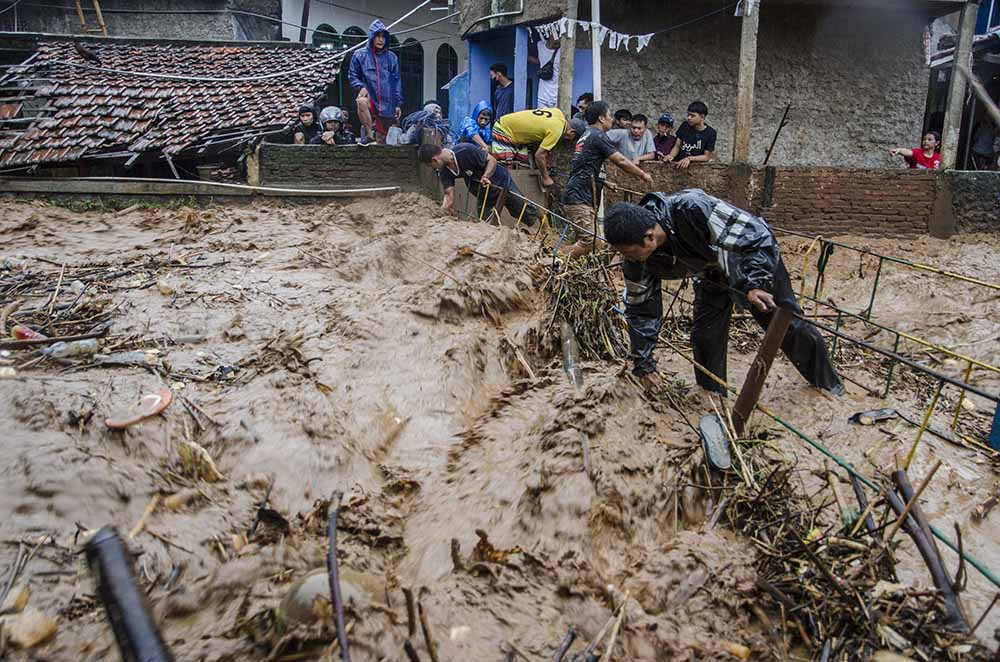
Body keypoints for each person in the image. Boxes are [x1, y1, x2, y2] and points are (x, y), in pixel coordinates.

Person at [602, 190, 844, 396]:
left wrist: (754, 282)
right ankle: (713, 396)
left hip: (751, 263)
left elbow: (756, 236)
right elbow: (640, 309)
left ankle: (828, 385)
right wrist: (644, 365)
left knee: (785, 325)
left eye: (629, 252)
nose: (626, 258)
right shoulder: (637, 260)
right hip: (710, 274)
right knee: (705, 336)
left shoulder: (693, 208)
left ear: (650, 237)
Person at [561, 100, 654, 258]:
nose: (612, 119)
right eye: (609, 116)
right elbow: (621, 161)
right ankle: (554, 258)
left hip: (580, 196)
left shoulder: (587, 136)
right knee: (590, 241)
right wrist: (642, 174)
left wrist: (604, 182)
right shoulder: (598, 136)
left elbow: (584, 167)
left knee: (597, 243)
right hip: (579, 198)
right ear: (601, 119)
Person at [418, 142, 539, 227]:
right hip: (482, 193)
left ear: (434, 160)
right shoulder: (445, 171)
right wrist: (439, 215)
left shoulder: (466, 150)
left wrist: (486, 176)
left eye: (430, 166)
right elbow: (448, 197)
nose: (432, 168)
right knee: (485, 225)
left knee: (522, 209)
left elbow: (492, 160)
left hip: (500, 182)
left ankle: (543, 221)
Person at [491, 108, 586, 188]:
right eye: (573, 139)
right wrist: (546, 178)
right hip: (504, 128)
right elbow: (539, 155)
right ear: (571, 132)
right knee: (508, 167)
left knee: (523, 166)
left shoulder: (557, 112)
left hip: (520, 137)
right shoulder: (557, 131)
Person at [348, 19, 402, 145]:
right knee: (361, 101)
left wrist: (398, 103)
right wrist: (360, 86)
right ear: (371, 37)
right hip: (370, 98)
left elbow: (397, 81)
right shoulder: (359, 55)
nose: (380, 40)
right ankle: (369, 133)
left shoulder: (392, 57)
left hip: (387, 101)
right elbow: (352, 75)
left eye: (383, 37)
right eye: (377, 36)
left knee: (382, 139)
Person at [667, 101, 717, 169]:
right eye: (688, 115)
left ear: (702, 117)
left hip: (698, 168)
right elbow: (677, 146)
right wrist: (670, 156)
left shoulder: (710, 133)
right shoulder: (685, 126)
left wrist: (689, 158)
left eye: (692, 116)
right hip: (679, 165)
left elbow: (706, 157)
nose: (689, 118)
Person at [529, 36, 560, 109]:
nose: (558, 39)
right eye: (555, 36)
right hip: (542, 96)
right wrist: (528, 57)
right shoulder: (540, 45)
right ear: (549, 36)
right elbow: (541, 61)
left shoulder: (562, 50)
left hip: (557, 96)